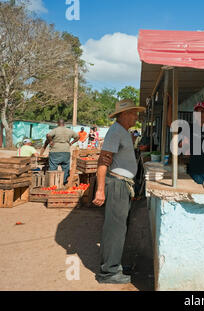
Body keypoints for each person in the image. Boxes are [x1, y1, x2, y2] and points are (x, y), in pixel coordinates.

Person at [92, 99, 145, 284]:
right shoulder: (115, 132)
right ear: (123, 115)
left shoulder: (123, 132)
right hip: (116, 185)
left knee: (120, 228)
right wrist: (100, 190)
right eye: (133, 113)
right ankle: (108, 272)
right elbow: (103, 161)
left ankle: (116, 265)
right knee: (114, 229)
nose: (136, 116)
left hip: (123, 184)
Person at [41, 120, 79, 185]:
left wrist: (50, 142)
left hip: (55, 151)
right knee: (65, 167)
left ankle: (52, 183)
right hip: (66, 151)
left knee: (53, 167)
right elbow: (78, 137)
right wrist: (71, 143)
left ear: (58, 123)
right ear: (64, 124)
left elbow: (48, 135)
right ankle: (64, 182)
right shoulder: (69, 130)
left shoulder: (55, 130)